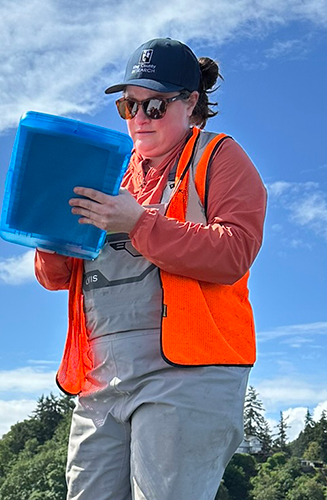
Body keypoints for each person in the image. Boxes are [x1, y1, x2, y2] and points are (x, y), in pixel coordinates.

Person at [34, 38, 267, 500]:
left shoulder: (219, 157)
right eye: (129, 104)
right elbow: (55, 277)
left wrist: (138, 223)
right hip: (100, 379)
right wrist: (48, 230)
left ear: (191, 103)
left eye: (155, 105)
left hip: (189, 373)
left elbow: (234, 253)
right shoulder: (110, 174)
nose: (139, 117)